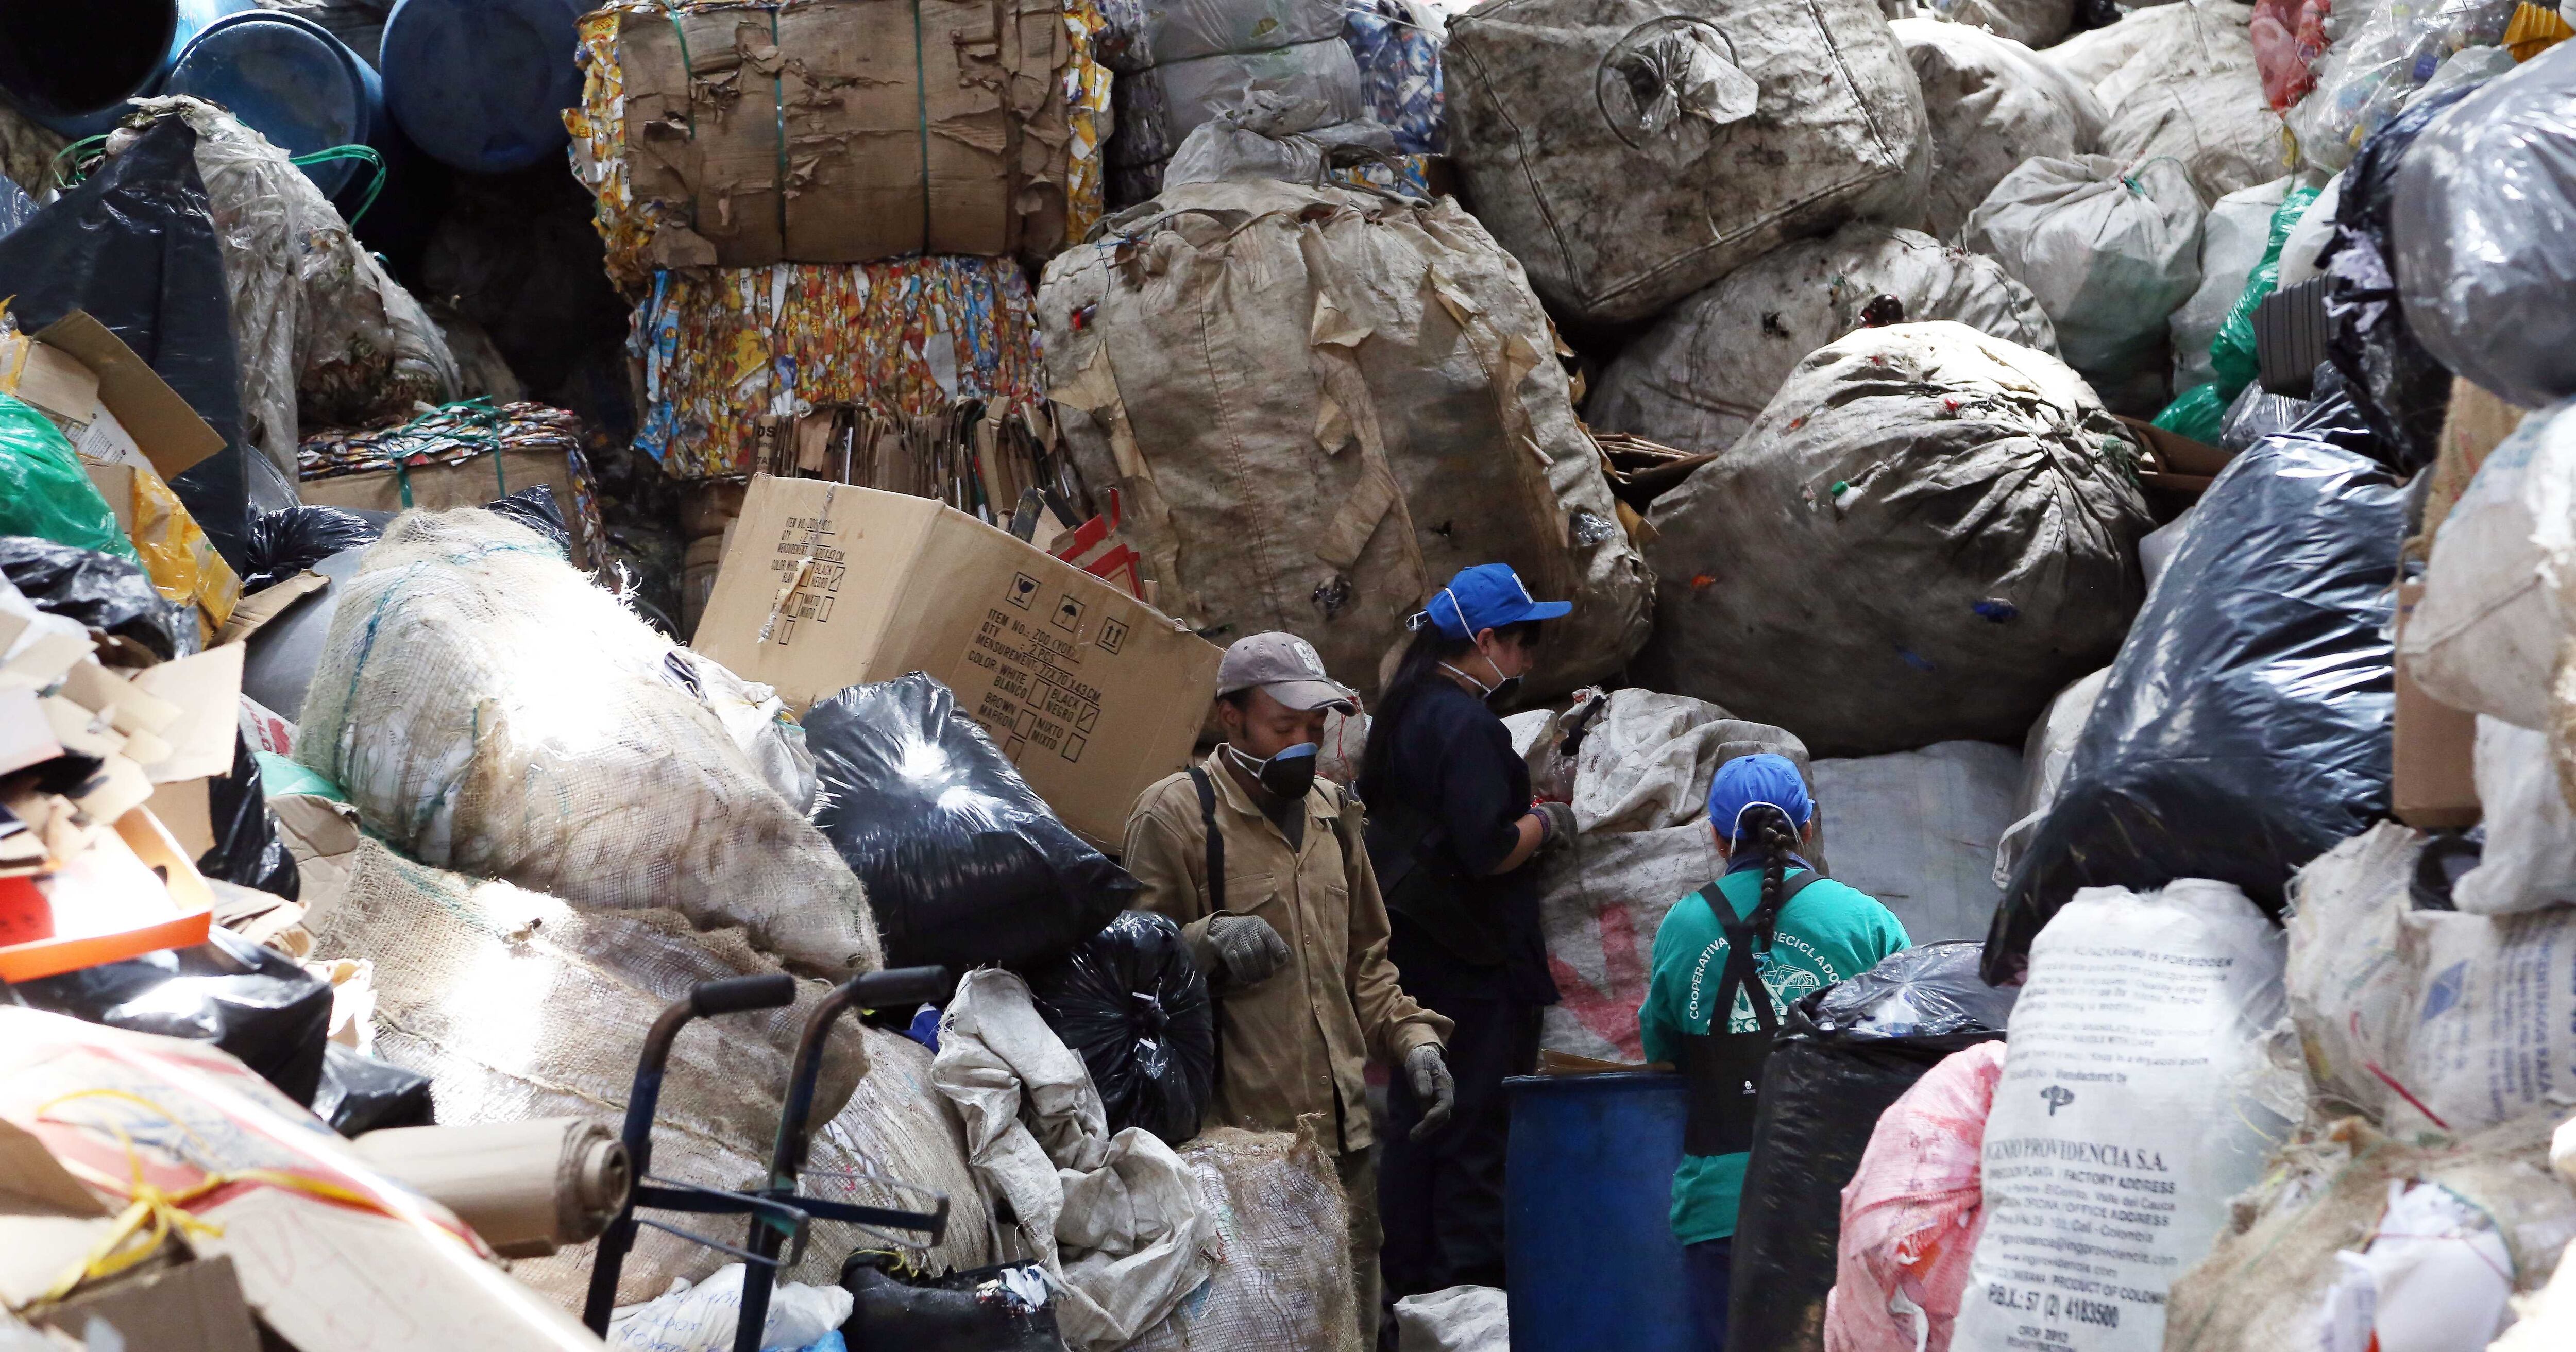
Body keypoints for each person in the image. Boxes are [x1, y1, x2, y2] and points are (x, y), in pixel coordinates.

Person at [1121, 630, 1456, 1345]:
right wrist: (1203, 940)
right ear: (1230, 717)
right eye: (1283, 728)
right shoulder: (1175, 815)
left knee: (1352, 1324)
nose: (1302, 744)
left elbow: (1365, 960)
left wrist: (1414, 1039)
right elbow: (1125, 968)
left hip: (1343, 1146)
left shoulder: (1334, 814)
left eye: (1313, 727)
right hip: (1239, 1154)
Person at [1360, 562, 1581, 1314]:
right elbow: (1489, 848)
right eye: (1522, 643)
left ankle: (1409, 1295)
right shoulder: (1468, 727)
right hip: (1477, 962)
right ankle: (1467, 1301)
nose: (1528, 660)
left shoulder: (1402, 713)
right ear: (1485, 641)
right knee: (1475, 1131)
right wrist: (1547, 821)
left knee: (1420, 1122)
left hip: (1417, 953)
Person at [1639, 753, 1911, 1350]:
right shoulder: (1867, 921)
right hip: (1844, 1202)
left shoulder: (1682, 927)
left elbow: (1659, 1047)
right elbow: (1911, 1051)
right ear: (1806, 827)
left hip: (1722, 1209)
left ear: (1717, 838)